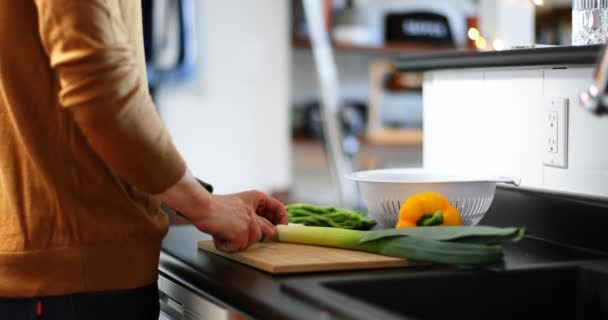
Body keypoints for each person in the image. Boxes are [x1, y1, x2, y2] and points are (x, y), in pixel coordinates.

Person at [0, 1, 288, 319]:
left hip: (58, 276)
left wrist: (195, 198)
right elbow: (101, 95)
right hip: (75, 285)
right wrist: (204, 207)